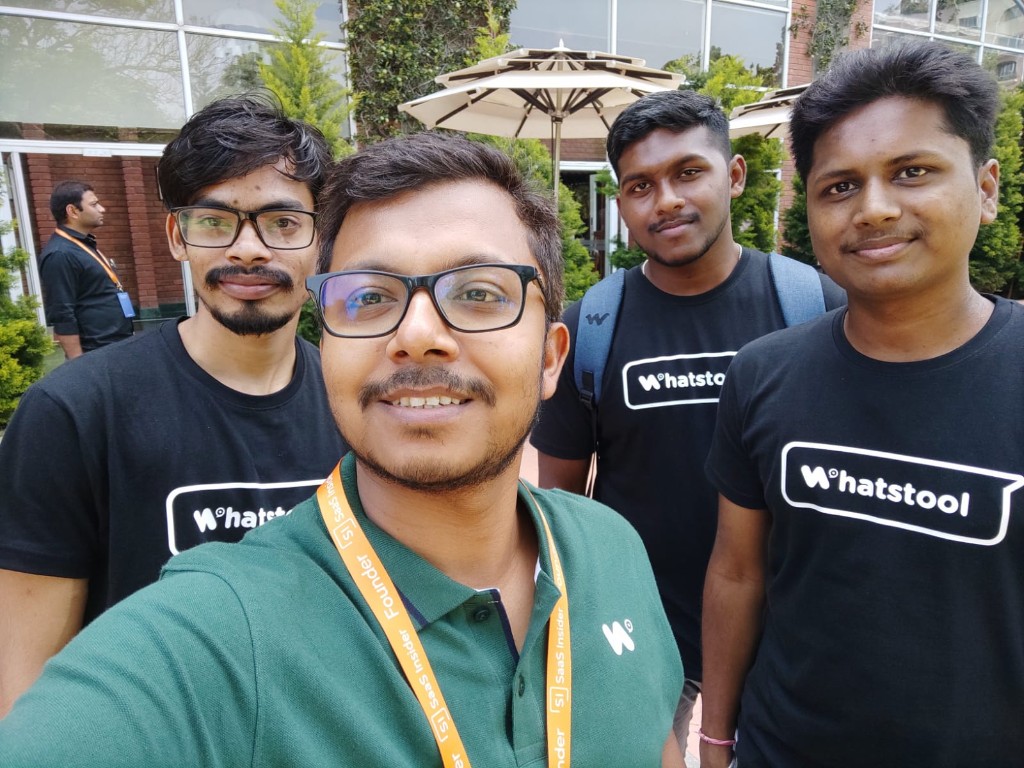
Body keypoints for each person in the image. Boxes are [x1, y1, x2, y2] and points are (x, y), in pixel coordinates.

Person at [0, 132, 684, 766]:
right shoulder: (218, 637)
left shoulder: (611, 550)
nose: (418, 335)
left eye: (479, 292)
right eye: (368, 297)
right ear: (326, 351)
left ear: (551, 357)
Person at [700, 41, 1024, 767]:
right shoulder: (763, 374)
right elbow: (738, 573)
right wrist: (716, 739)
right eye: (840, 186)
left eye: (913, 172)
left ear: (986, 188)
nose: (874, 209)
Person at [0, 94, 347, 717]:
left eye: (282, 222)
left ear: (320, 241)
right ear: (177, 237)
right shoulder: (74, 413)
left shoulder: (357, 405)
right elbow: (24, 685)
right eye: (215, 221)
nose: (248, 249)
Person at [530, 89, 844, 750]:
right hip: (640, 631)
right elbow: (560, 504)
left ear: (735, 176)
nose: (666, 200)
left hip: (787, 634)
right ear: (622, 204)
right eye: (640, 185)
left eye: (689, 172)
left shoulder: (814, 306)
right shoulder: (592, 327)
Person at [38, 180, 135, 358]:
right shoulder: (60, 254)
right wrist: (78, 365)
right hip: (96, 353)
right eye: (94, 204)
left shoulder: (84, 244)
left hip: (115, 345)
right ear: (73, 211)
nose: (102, 209)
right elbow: (62, 314)